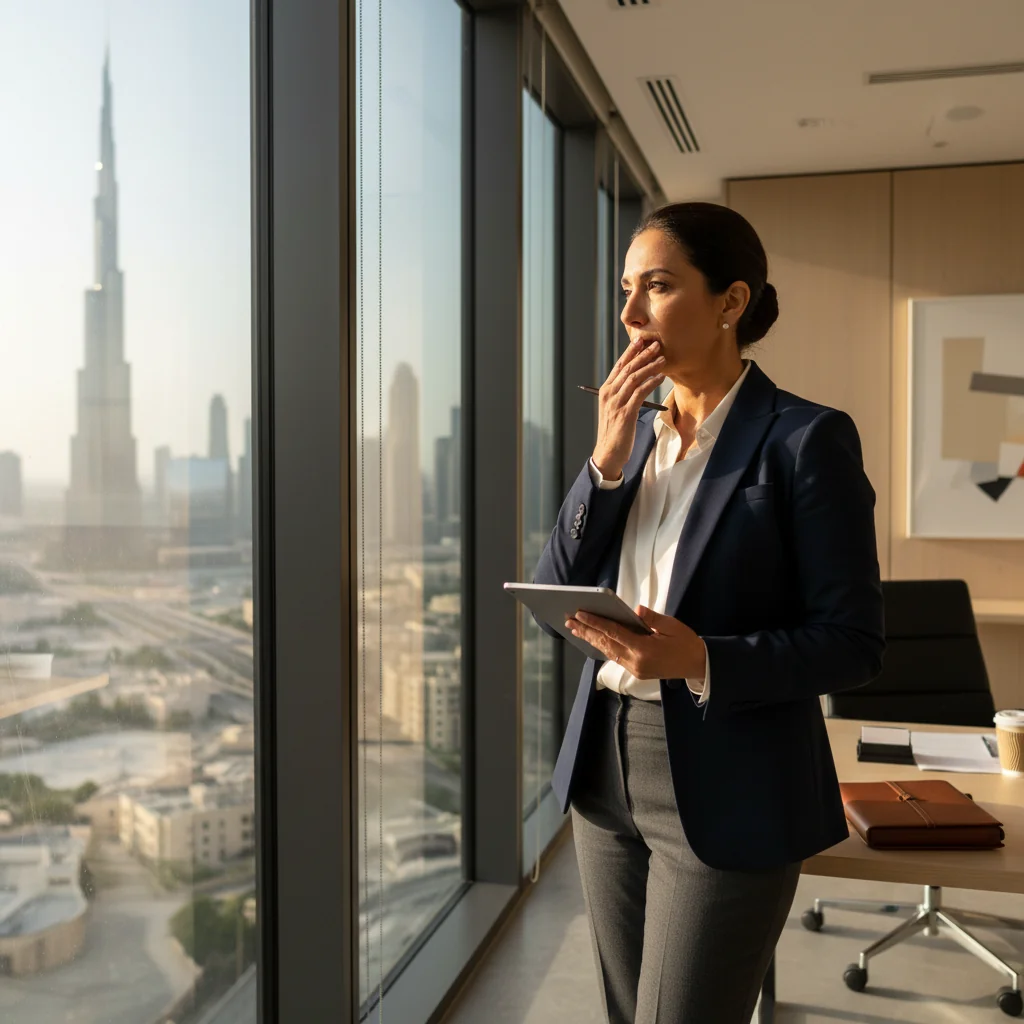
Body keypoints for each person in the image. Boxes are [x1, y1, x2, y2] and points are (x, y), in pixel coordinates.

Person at [531, 202, 885, 1023]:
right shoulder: (636, 440)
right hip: (605, 768)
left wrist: (701, 658)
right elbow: (556, 582)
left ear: (731, 302)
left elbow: (854, 644)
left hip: (731, 777)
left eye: (657, 286)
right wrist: (606, 461)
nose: (628, 315)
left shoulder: (804, 440)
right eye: (626, 289)